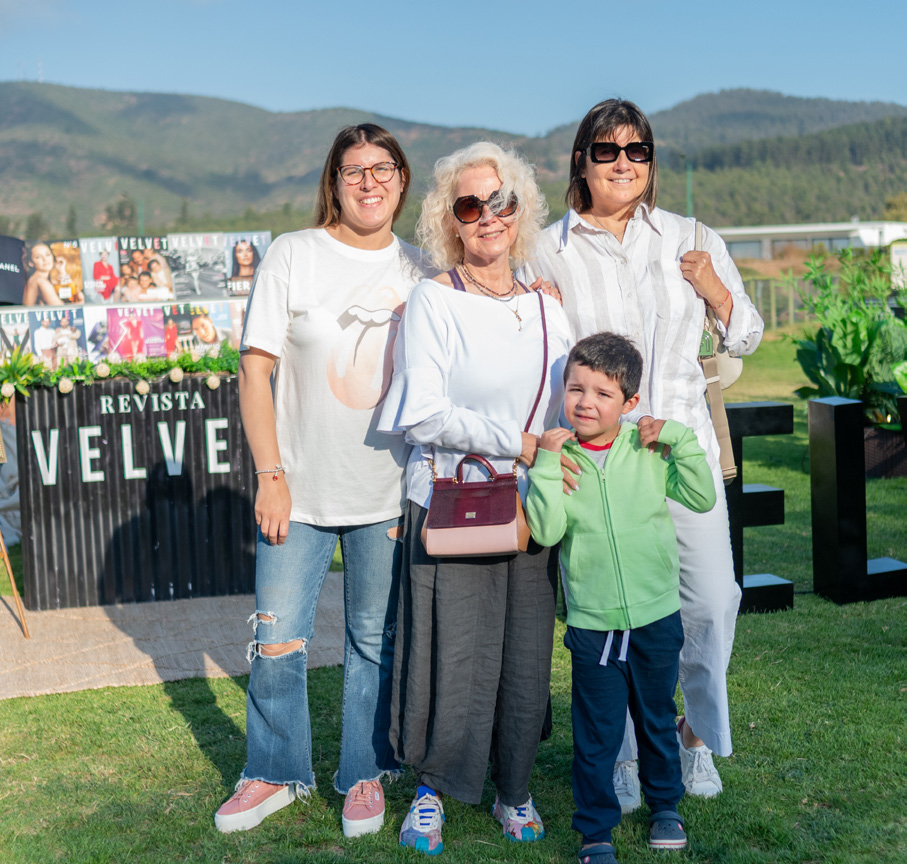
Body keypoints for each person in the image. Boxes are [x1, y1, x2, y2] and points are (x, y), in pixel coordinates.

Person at [519, 98, 764, 806]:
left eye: (636, 151)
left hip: (677, 449)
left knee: (711, 600)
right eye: (606, 150)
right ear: (580, 160)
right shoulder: (545, 249)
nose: (622, 163)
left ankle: (692, 739)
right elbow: (532, 352)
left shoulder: (691, 237)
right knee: (607, 612)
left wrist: (714, 287)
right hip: (597, 462)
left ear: (650, 163)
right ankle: (623, 758)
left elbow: (743, 336)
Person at [214, 123, 431, 839]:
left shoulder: (422, 268)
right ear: (332, 183)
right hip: (297, 490)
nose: (368, 181)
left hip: (386, 492)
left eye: (382, 168)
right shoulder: (293, 254)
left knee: (375, 640)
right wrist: (269, 474)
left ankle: (362, 771)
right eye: (352, 170)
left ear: (402, 179)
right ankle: (274, 772)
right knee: (276, 638)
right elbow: (255, 369)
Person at [378, 142, 573, 855]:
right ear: (450, 220)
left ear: (520, 210)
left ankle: (513, 790)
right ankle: (430, 790)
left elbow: (569, 402)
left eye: (500, 202)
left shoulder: (548, 306)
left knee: (525, 654)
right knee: (447, 650)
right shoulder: (434, 298)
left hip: (530, 508)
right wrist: (513, 442)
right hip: (453, 501)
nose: (487, 216)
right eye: (470, 205)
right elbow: (421, 411)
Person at [526, 333, 716, 863]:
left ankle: (665, 808)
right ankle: (595, 832)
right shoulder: (560, 460)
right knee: (597, 733)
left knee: (656, 719)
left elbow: (701, 496)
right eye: (575, 389)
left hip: (657, 618)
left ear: (630, 403)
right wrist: (544, 465)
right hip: (593, 626)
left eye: (602, 393)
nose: (585, 402)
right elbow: (545, 531)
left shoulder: (646, 448)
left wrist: (678, 437)